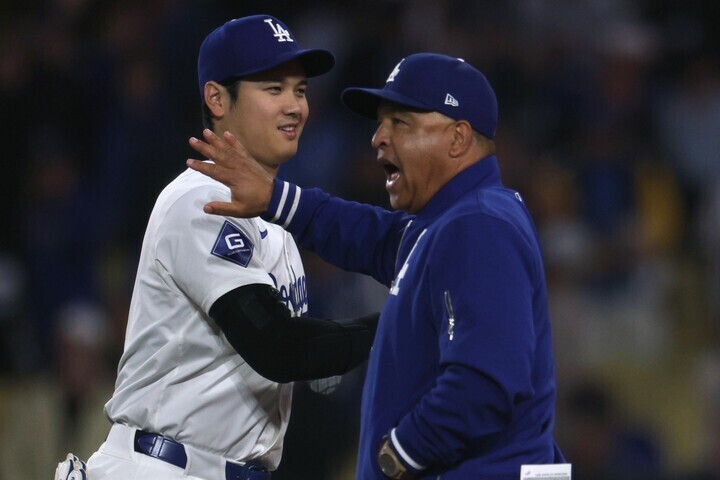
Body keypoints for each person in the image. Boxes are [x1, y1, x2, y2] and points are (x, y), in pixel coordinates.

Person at [187, 53, 567, 479]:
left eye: (400, 122)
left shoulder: (479, 224)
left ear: (458, 139)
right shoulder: (444, 225)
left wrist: (399, 454)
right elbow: (367, 233)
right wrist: (277, 198)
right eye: (381, 123)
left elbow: (485, 383)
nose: (378, 138)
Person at [81, 15, 379, 480]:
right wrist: (398, 325)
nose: (295, 107)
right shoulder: (200, 198)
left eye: (300, 90)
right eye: (273, 88)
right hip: (162, 466)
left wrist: (333, 350)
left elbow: (307, 362)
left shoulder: (278, 233)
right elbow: (278, 346)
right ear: (217, 98)